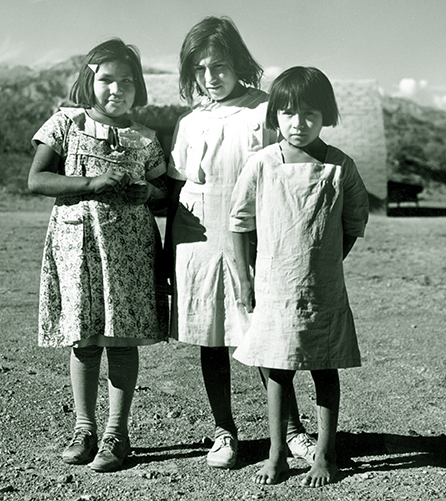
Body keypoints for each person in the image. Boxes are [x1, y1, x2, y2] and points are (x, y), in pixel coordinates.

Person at [166, 16, 317, 470]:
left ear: (239, 63)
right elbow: (177, 188)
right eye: (201, 70)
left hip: (255, 239)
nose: (211, 77)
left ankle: (291, 431)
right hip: (197, 240)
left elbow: (288, 172)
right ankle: (223, 431)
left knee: (266, 335)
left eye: (220, 66)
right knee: (211, 338)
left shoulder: (265, 110)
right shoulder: (190, 122)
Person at [28, 38, 169, 473]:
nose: (117, 89)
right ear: (89, 81)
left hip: (128, 250)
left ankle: (116, 432)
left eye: (127, 81)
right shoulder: (64, 124)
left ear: (137, 87)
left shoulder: (146, 138)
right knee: (85, 338)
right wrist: (89, 185)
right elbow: (38, 179)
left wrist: (150, 192)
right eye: (106, 80)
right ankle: (84, 427)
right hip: (77, 247)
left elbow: (166, 197)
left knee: (121, 339)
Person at [229, 66, 369, 487]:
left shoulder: (340, 167)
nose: (298, 122)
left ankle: (325, 455)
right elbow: (239, 221)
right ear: (275, 115)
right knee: (277, 369)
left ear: (326, 115)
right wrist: (246, 280)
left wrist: (327, 260)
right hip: (275, 287)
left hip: (323, 289)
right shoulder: (263, 164)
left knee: (325, 368)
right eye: (288, 112)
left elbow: (354, 220)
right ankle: (277, 453)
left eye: (310, 113)